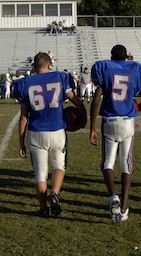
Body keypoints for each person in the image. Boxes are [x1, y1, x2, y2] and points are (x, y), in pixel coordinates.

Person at [12, 52, 86, 218]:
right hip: (57, 130)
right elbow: (77, 102)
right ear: (49, 65)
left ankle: (43, 208)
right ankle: (55, 193)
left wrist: (21, 142)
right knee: (59, 165)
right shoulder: (60, 77)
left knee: (40, 172)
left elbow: (24, 117)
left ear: (35, 67)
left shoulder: (24, 83)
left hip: (36, 132)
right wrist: (83, 119)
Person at [90, 44, 141, 223]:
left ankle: (112, 197)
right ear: (127, 57)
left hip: (109, 120)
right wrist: (134, 108)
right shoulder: (135, 71)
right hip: (127, 121)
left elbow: (95, 101)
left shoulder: (105, 69)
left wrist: (92, 127)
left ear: (111, 55)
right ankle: (124, 207)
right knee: (126, 164)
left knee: (107, 162)